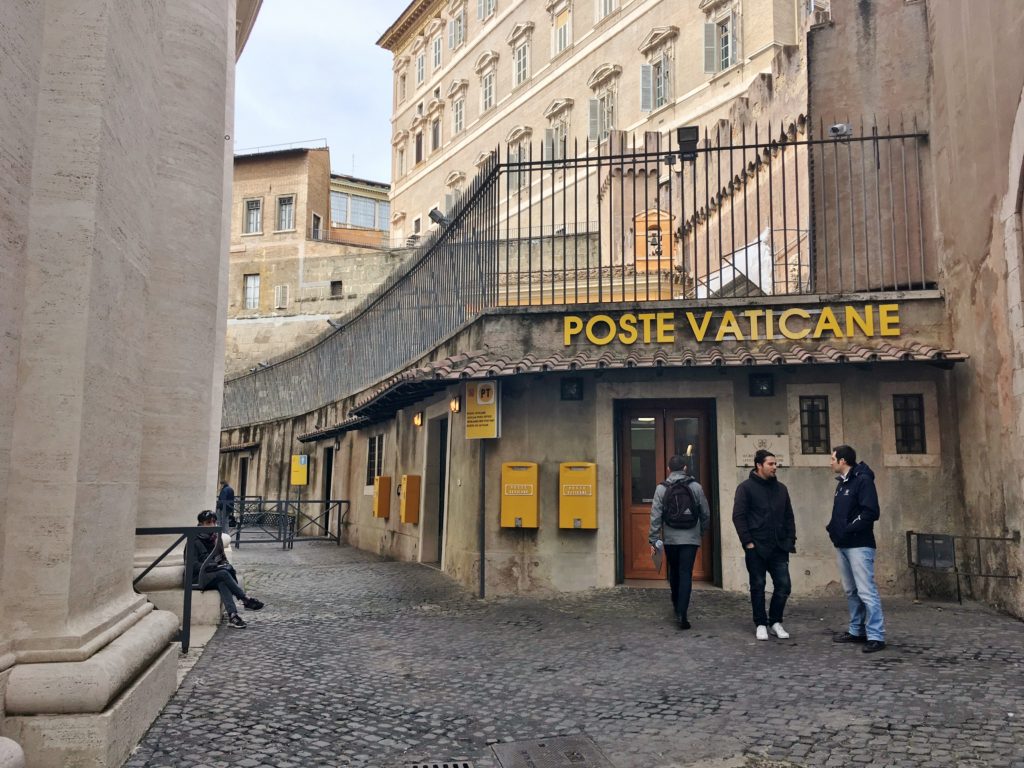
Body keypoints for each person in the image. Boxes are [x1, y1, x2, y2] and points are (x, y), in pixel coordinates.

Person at [732, 449, 796, 641]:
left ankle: (775, 621)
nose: (775, 467)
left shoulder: (782, 489)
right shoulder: (745, 488)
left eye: (775, 464)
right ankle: (760, 623)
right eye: (771, 464)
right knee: (758, 585)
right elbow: (738, 516)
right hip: (757, 547)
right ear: (759, 465)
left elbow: (789, 516)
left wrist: (790, 539)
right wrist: (748, 542)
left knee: (784, 586)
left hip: (779, 546)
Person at [827, 445, 886, 653]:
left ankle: (876, 636)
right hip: (843, 545)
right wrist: (833, 529)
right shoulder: (842, 484)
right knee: (851, 590)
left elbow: (870, 512)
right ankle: (856, 631)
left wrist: (849, 530)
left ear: (843, 461)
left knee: (866, 591)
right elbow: (840, 514)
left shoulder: (863, 481)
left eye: (833, 458)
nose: (830, 462)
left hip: (860, 545)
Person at [648, 455, 712, 630]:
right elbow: (705, 512)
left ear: (669, 469)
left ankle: (676, 604)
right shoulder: (696, 487)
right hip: (690, 538)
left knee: (674, 571)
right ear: (685, 468)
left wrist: (654, 538)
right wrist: (701, 532)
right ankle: (682, 613)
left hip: (670, 538)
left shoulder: (661, 489)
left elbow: (655, 515)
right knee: (686, 573)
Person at [193, 509, 264, 628]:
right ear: (201, 524)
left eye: (214, 522)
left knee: (223, 581)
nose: (212, 525)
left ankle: (233, 615)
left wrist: (222, 565)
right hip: (196, 578)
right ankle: (245, 599)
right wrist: (211, 565)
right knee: (223, 574)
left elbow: (222, 559)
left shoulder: (216, 538)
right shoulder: (194, 540)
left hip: (214, 576)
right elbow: (193, 566)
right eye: (208, 522)